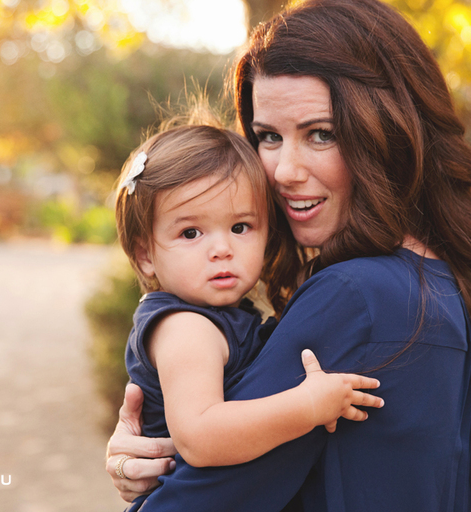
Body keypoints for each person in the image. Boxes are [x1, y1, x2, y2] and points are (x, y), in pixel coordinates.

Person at [106, 0, 471, 510]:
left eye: (320, 133)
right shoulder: (434, 278)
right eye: (268, 137)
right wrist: (156, 459)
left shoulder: (357, 296)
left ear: (386, 133)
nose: (283, 170)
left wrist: (152, 488)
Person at [114, 122, 384, 509]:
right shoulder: (185, 328)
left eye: (240, 227)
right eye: (191, 233)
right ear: (144, 255)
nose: (222, 248)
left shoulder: (221, 315)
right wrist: (307, 406)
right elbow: (201, 438)